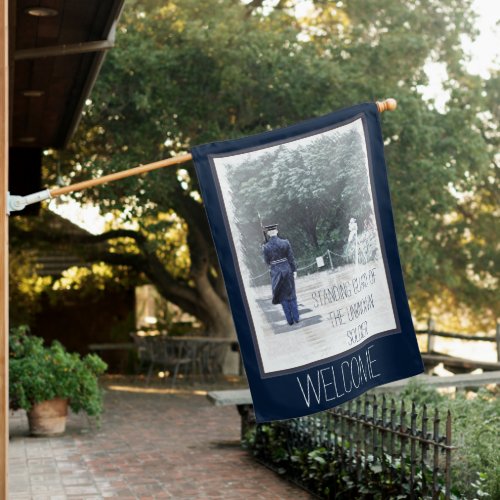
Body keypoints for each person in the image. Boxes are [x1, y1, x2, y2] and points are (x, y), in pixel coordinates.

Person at [262, 224, 300, 326]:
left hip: (275, 272)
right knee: (291, 293)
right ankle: (296, 317)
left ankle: (290, 320)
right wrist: (294, 270)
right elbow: (291, 258)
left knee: (282, 296)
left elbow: (266, 262)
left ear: (269, 233)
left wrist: (266, 248)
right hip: (287, 270)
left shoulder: (266, 247)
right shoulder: (285, 242)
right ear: (277, 231)